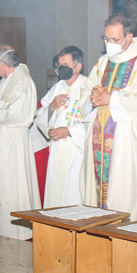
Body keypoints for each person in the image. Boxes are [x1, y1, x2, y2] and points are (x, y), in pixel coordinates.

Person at [82, 14, 137, 220]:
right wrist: (93, 97)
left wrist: (110, 99)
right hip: (99, 139)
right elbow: (86, 92)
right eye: (105, 39)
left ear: (129, 37)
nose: (109, 44)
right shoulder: (103, 63)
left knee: (128, 197)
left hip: (130, 144)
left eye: (114, 39)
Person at [0, 45, 39, 240]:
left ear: (2, 63)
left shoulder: (23, 82)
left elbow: (20, 114)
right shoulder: (4, 82)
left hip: (14, 143)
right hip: (0, 143)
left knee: (12, 185)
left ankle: (15, 230)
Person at [41, 46, 93, 207]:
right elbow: (40, 116)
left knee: (72, 194)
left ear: (78, 66)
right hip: (57, 148)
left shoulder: (88, 87)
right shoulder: (58, 87)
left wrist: (69, 131)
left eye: (65, 64)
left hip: (77, 151)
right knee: (55, 194)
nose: (60, 68)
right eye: (59, 64)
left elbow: (93, 121)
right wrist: (51, 107)